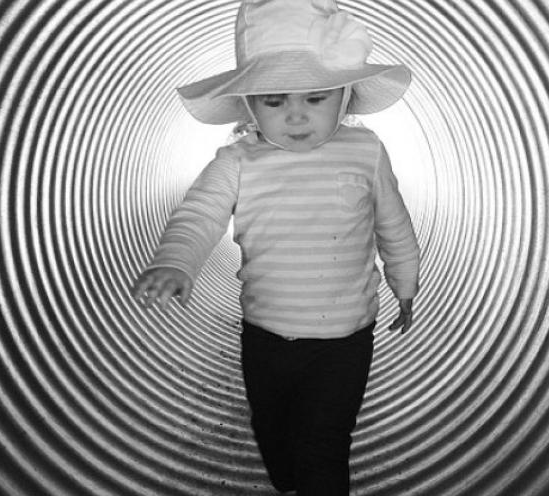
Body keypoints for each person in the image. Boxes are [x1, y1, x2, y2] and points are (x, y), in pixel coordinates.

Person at [131, 0, 420, 494]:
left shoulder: (365, 152)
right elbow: (199, 214)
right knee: (274, 434)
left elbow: (393, 223)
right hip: (265, 336)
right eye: (274, 100)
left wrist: (405, 286)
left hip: (346, 338)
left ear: (345, 95)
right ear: (248, 104)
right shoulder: (238, 160)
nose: (296, 115)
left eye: (315, 97)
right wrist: (176, 262)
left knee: (323, 443)